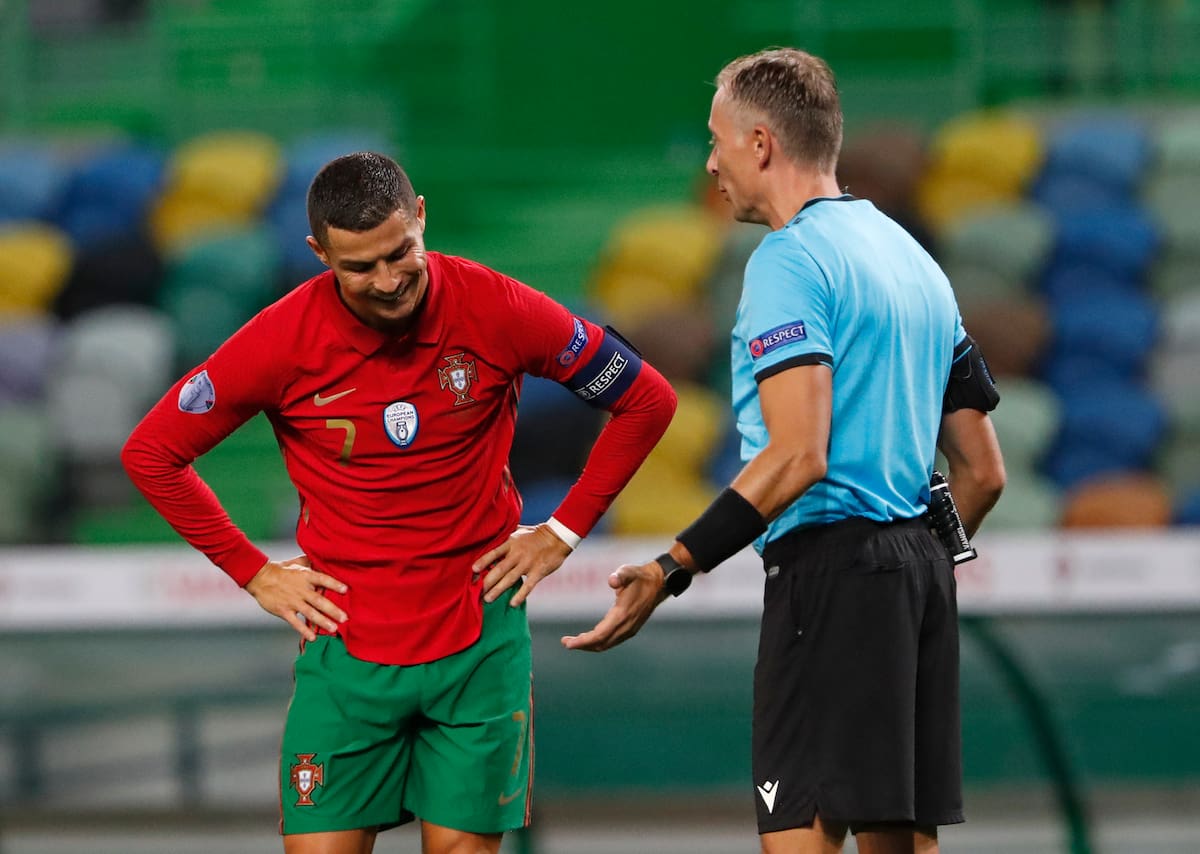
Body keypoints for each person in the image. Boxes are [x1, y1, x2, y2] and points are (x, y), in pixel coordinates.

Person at [122, 151, 677, 854]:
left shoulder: (497, 306)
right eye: (360, 267)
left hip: (478, 641)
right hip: (346, 646)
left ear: (420, 217)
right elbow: (152, 453)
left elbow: (646, 399)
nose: (387, 281)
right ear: (319, 253)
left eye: (399, 253)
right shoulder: (280, 339)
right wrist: (252, 572)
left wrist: (563, 530)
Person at [563, 48, 1006, 854]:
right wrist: (908, 573)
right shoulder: (914, 260)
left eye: (717, 140)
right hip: (918, 576)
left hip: (832, 576)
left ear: (760, 144)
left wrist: (672, 567)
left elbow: (800, 454)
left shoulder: (788, 261)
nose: (711, 162)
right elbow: (983, 471)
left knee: (800, 834)